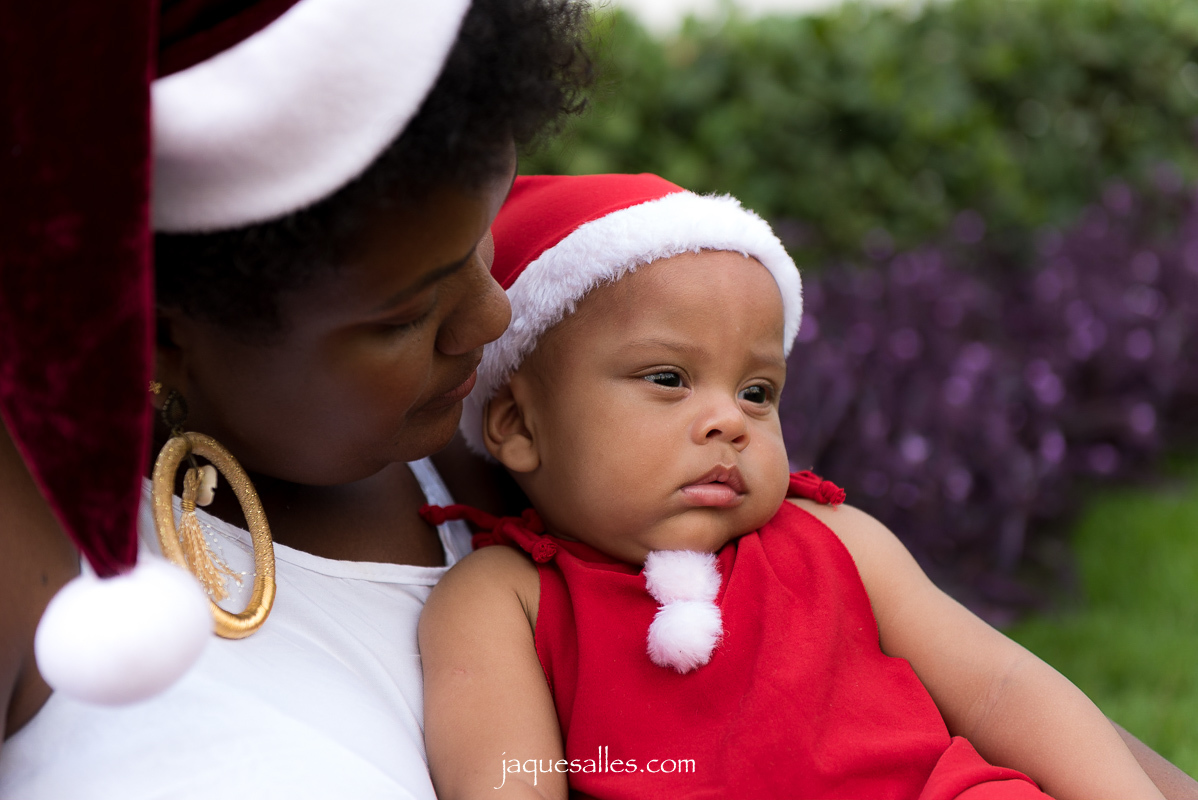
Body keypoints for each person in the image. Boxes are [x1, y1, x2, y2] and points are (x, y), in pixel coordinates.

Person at [417, 173, 1169, 800]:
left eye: (757, 391)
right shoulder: (505, 598)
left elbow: (1001, 688)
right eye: (669, 379)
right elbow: (511, 780)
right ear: (518, 425)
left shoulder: (831, 538)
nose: (730, 422)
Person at [0, 0, 590, 796]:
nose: (494, 315)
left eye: (484, 230)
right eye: (406, 314)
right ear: (160, 334)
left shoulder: (502, 447)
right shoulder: (25, 550)